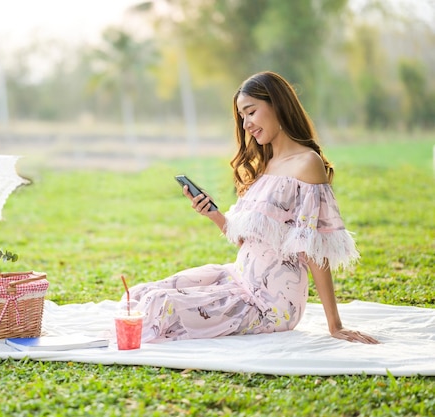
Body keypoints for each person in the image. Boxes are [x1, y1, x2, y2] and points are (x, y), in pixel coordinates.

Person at [125, 71, 379, 344]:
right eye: (242, 116)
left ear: (278, 105)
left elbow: (315, 250)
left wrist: (335, 325)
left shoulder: (307, 163)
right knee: (140, 294)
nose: (246, 124)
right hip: (238, 278)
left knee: (159, 304)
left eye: (251, 112)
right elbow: (250, 243)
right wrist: (214, 215)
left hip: (270, 303)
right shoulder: (264, 164)